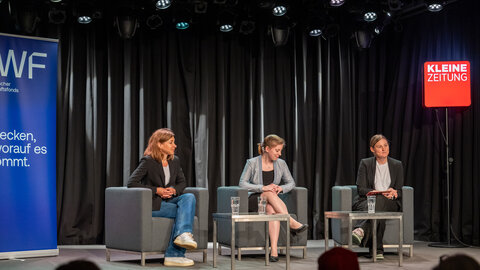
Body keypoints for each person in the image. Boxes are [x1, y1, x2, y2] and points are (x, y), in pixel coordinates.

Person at [128, 128, 197, 267]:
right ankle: (174, 254)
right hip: (155, 204)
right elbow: (131, 183)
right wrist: (157, 190)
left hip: (170, 200)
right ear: (159, 144)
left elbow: (182, 182)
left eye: (174, 142)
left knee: (189, 197)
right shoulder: (148, 161)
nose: (175, 145)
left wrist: (173, 190)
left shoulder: (175, 161)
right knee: (183, 212)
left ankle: (182, 236)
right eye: (171, 142)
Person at [239, 134, 308, 262]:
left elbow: (291, 183)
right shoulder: (252, 163)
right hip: (254, 200)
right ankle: (291, 222)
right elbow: (242, 183)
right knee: (269, 192)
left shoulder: (281, 164)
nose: (280, 154)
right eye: (277, 150)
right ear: (267, 149)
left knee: (271, 210)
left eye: (280, 150)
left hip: (270, 202)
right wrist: (262, 188)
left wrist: (280, 188)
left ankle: (274, 251)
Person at [351, 134, 404, 260]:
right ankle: (377, 250)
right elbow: (361, 189)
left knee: (380, 201)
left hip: (390, 203)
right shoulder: (365, 163)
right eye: (379, 146)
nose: (384, 149)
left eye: (385, 145)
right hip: (366, 201)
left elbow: (400, 190)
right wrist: (376, 192)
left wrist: (394, 192)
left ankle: (360, 230)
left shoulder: (397, 165)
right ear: (372, 149)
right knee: (377, 202)